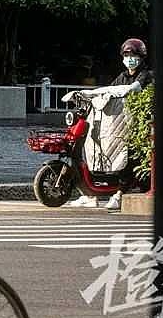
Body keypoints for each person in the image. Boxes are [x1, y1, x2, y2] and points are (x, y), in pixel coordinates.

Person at [65, 38, 153, 211]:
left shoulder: (145, 75)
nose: (130, 58)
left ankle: (119, 193)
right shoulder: (122, 76)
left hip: (136, 125)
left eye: (133, 55)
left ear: (141, 57)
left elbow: (133, 89)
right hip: (116, 123)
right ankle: (89, 194)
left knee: (127, 156)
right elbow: (109, 90)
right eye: (126, 55)